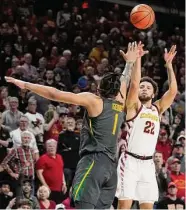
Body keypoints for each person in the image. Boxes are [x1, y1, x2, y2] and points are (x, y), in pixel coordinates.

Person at [5, 41, 139, 209]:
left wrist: (26, 85)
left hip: (93, 163)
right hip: (111, 168)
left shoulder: (94, 101)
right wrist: (130, 63)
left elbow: (56, 93)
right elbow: (125, 81)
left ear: (99, 88)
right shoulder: (120, 103)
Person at [116, 45, 178, 209]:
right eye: (142, 87)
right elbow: (134, 84)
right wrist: (138, 58)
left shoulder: (157, 109)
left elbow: (172, 91)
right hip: (129, 161)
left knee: (147, 207)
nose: (144, 89)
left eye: (148, 87)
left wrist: (169, 66)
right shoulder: (133, 106)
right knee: (124, 205)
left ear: (153, 93)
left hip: (148, 164)